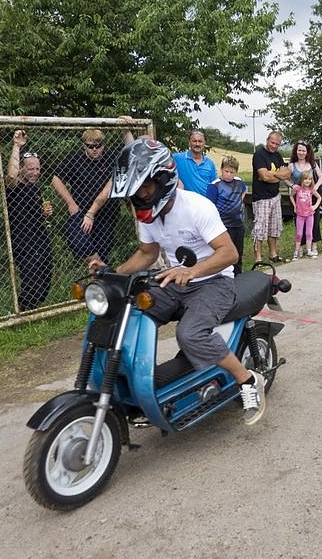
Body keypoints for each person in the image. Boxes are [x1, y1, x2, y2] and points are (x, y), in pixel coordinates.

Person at [91, 138, 267, 426]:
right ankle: (138, 380)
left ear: (163, 181)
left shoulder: (197, 207)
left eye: (144, 187)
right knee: (130, 309)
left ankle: (247, 380)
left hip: (214, 282)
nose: (139, 196)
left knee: (190, 334)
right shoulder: (149, 215)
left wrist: (192, 271)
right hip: (175, 281)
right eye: (134, 192)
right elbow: (147, 254)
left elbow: (229, 253)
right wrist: (113, 272)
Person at [52, 128, 122, 264]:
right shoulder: (75, 160)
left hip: (106, 214)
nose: (95, 149)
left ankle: (98, 280)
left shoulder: (112, 158)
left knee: (103, 252)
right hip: (81, 211)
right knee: (79, 243)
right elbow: (56, 179)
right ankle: (101, 270)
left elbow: (131, 158)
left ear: (103, 145)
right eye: (90, 146)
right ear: (84, 145)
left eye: (98, 146)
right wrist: (71, 203)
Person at [5, 129, 54, 311]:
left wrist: (44, 212)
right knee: (32, 277)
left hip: (39, 236)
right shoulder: (14, 186)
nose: (35, 172)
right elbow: (10, 175)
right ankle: (24, 311)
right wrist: (17, 146)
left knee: (46, 274)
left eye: (37, 169)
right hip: (22, 239)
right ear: (22, 169)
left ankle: (33, 310)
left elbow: (35, 212)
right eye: (30, 169)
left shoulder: (35, 189)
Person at [251, 131, 291, 263]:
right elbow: (264, 176)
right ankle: (258, 258)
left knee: (274, 227)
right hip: (261, 197)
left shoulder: (278, 156)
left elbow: (287, 173)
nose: (274, 146)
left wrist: (273, 176)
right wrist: (278, 176)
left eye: (277, 144)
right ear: (267, 140)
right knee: (260, 228)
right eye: (272, 142)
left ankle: (273, 254)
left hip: (275, 195)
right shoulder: (259, 154)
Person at [206, 156, 247, 274]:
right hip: (223, 226)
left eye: (232, 172)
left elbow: (244, 190)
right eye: (226, 171)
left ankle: (238, 275)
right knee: (225, 254)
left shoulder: (239, 182)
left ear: (236, 172)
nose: (228, 174)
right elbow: (209, 205)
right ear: (221, 170)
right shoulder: (215, 185)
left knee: (238, 253)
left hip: (238, 224)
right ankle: (224, 276)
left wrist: (239, 203)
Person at [288, 140, 322, 256]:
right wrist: (292, 185)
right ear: (296, 151)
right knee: (299, 223)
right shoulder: (291, 166)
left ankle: (314, 244)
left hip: (311, 198)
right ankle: (302, 246)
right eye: (299, 150)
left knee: (314, 222)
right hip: (299, 198)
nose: (301, 152)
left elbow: (321, 177)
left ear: (307, 152)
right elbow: (284, 178)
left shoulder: (312, 164)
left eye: (304, 150)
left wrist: (316, 187)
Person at [289, 171, 321, 260]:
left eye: (310, 179)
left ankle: (309, 250)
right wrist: (295, 206)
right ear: (302, 180)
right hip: (300, 215)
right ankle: (296, 251)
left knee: (309, 233)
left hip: (310, 215)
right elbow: (291, 196)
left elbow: (319, 197)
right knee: (299, 233)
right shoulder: (298, 189)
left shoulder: (311, 190)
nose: (308, 181)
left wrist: (315, 206)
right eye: (306, 179)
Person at [173, 130, 216, 194]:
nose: (197, 144)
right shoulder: (177, 158)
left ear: (204, 143)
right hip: (184, 201)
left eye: (200, 141)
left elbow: (214, 186)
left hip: (204, 202)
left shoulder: (210, 164)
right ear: (189, 143)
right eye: (194, 141)